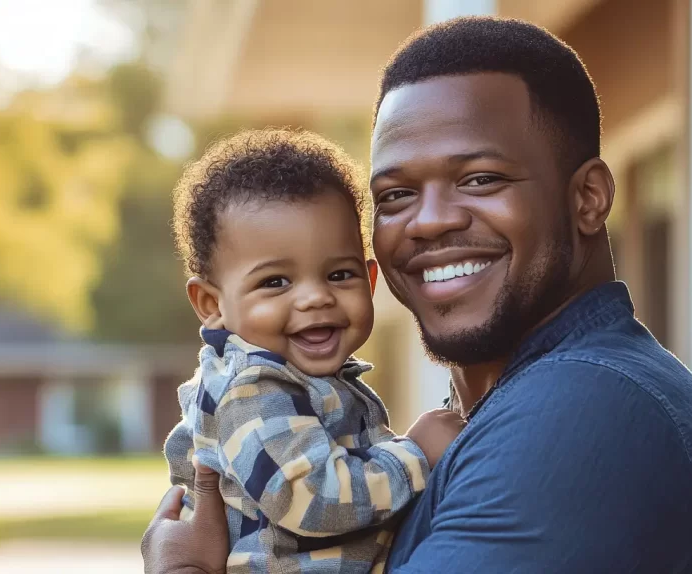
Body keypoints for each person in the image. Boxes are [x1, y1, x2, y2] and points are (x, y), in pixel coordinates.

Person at [145, 16, 692, 573]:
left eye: (480, 178)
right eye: (395, 195)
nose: (429, 221)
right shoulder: (515, 403)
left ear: (588, 199)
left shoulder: (583, 411)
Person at [163, 129, 465, 573]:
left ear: (370, 281)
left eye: (339, 275)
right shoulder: (251, 392)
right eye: (275, 282)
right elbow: (312, 499)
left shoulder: (304, 382)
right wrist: (416, 454)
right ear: (212, 304)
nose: (314, 298)